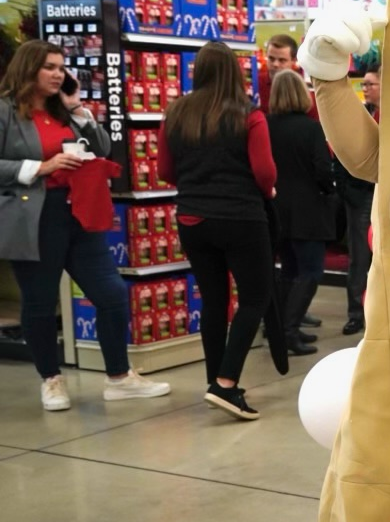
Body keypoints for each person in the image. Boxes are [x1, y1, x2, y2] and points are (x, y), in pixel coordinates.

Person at [0, 40, 171, 409]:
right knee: (40, 303)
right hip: (34, 218)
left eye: (61, 67)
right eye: (49, 67)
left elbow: (103, 148)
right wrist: (41, 168)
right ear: (28, 68)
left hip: (77, 213)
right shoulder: (5, 113)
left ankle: (119, 377)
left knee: (110, 294)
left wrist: (77, 109)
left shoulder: (64, 111)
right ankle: (51, 379)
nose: (57, 73)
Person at [156, 41, 276, 420]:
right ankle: (226, 384)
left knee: (213, 301)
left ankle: (215, 380)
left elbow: (164, 171)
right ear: (234, 72)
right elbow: (265, 173)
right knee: (254, 297)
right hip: (240, 217)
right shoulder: (249, 115)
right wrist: (268, 189)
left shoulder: (175, 114)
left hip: (192, 218)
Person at [265, 69, 335, 357]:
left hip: (276, 208)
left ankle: (279, 329)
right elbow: (322, 169)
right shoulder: (312, 129)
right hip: (308, 210)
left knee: (289, 271)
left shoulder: (265, 126)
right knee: (311, 271)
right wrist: (330, 189)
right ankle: (289, 330)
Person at [335, 66, 379, 335]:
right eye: (364, 85)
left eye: (371, 85)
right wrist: (349, 193)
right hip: (361, 197)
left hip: (385, 196)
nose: (366, 89)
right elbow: (343, 154)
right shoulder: (361, 116)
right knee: (359, 257)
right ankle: (356, 313)